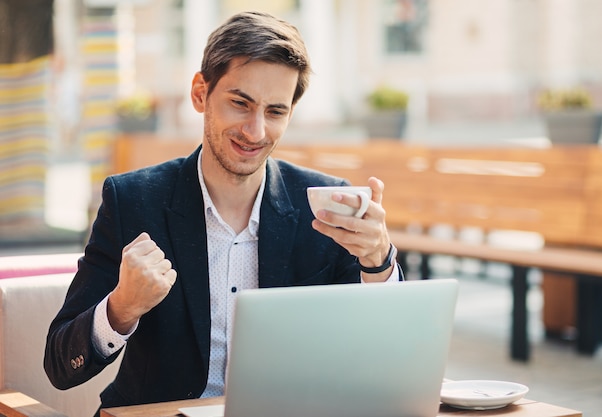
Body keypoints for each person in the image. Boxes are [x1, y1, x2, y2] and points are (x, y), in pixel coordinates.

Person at [44, 10, 402, 413]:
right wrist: (121, 307)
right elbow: (60, 365)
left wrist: (379, 264)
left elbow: (386, 359)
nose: (256, 131)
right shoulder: (132, 200)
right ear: (200, 93)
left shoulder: (325, 207)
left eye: (275, 111)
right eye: (240, 103)